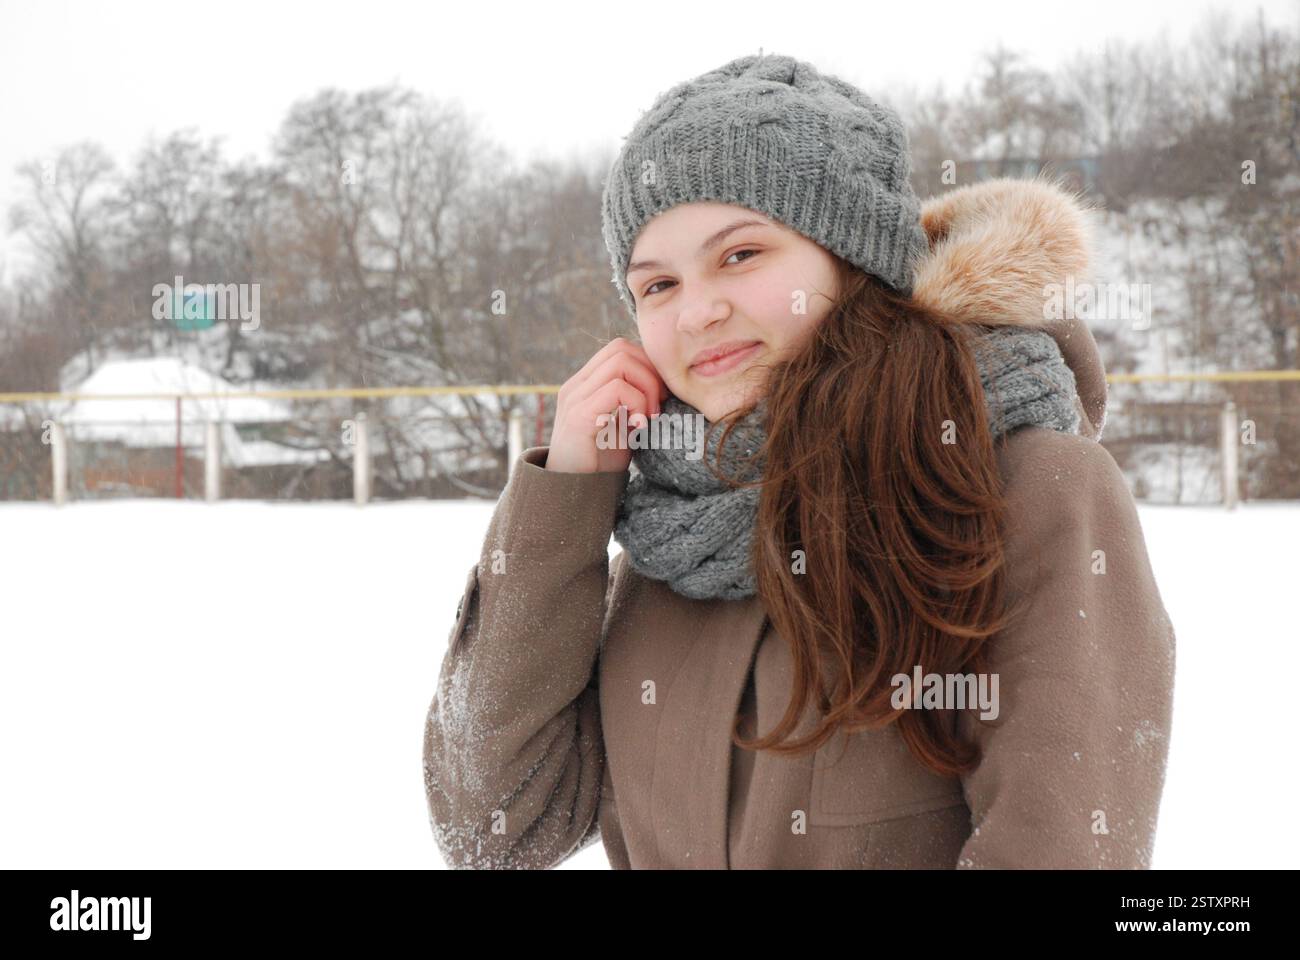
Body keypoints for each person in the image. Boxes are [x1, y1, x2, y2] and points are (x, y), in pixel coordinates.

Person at [423, 52, 1177, 869]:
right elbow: (494, 828)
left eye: (740, 256)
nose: (699, 311)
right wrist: (566, 500)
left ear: (854, 260)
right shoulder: (667, 533)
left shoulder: (1031, 489)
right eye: (657, 285)